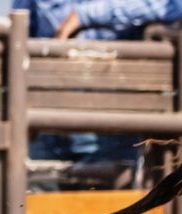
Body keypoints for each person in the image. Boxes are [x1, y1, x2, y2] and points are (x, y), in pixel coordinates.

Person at [19, 0, 182, 178]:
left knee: (109, 198)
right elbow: (24, 28)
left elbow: (173, 5)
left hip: (111, 119)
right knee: (37, 199)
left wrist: (87, 15)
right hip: (46, 120)